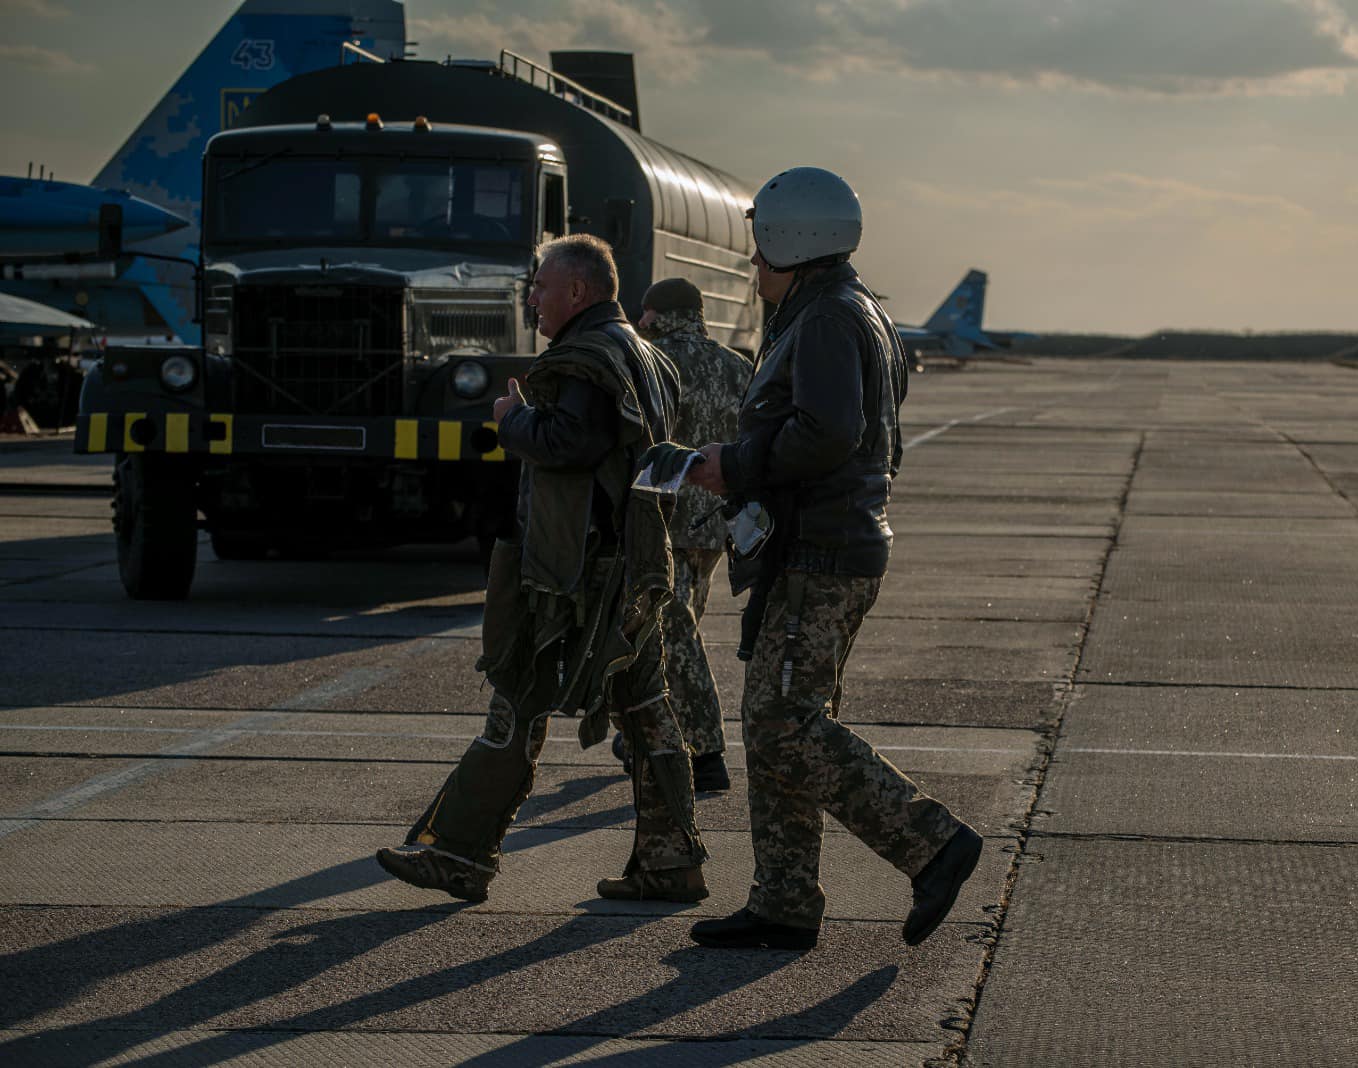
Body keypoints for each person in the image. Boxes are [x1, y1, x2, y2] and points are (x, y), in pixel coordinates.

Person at [684, 167, 982, 951]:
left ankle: (933, 844)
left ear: (793, 241)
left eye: (760, 249)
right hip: (823, 545)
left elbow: (827, 433)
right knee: (774, 722)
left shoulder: (823, 319)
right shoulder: (855, 309)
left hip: (821, 552)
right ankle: (784, 900)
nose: (753, 264)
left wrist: (734, 465)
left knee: (784, 724)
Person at [376, 234, 708, 904]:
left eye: (541, 288)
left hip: (575, 575)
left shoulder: (586, 359)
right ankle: (671, 862)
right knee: (646, 709)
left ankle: (459, 853)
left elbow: (570, 443)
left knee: (519, 690)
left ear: (578, 291)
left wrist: (513, 420)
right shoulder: (646, 356)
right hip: (635, 564)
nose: (532, 300)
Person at [614, 277, 753, 794]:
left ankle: (706, 751)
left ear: (657, 314)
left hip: (662, 520)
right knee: (675, 628)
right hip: (715, 524)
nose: (640, 321)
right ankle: (645, 736)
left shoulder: (652, 362)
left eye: (645, 312)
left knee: (672, 635)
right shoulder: (738, 366)